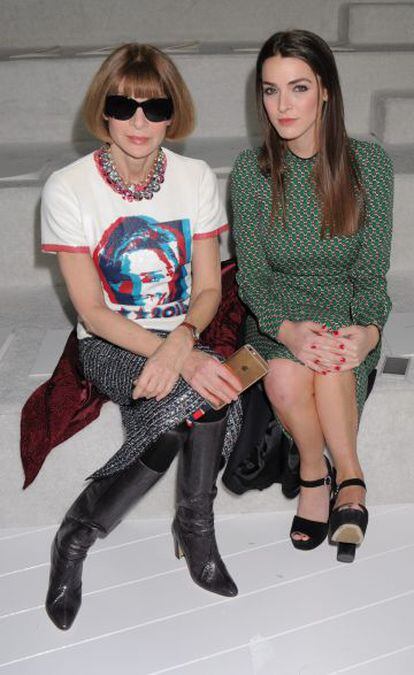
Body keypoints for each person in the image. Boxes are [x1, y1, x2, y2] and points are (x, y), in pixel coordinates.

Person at [41, 43, 243, 630]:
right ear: (102, 112)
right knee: (194, 398)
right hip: (108, 342)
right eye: (123, 106)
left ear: (172, 115)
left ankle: (195, 530)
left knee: (202, 395)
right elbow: (92, 312)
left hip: (180, 330)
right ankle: (77, 536)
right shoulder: (69, 187)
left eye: (154, 109)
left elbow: (208, 291)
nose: (138, 122)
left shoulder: (194, 177)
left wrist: (180, 343)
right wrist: (171, 353)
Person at [231, 30, 393, 563]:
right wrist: (287, 331)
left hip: (341, 311)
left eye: (297, 88)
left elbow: (372, 273)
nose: (282, 106)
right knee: (283, 374)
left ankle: (349, 474)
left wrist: (368, 330)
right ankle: (314, 471)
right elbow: (251, 280)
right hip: (275, 316)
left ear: (325, 90)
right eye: (270, 91)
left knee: (334, 361)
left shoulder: (369, 165)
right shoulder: (250, 175)